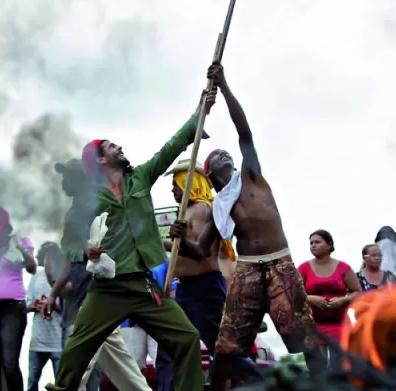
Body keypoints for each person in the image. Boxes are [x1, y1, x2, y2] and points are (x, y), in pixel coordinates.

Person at [44, 91, 214, 391]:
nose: (119, 147)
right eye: (111, 146)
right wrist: (84, 250)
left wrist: (200, 112)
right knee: (76, 349)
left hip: (144, 286)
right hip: (109, 289)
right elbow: (69, 241)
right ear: (100, 159)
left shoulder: (142, 177)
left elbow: (171, 148)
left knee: (187, 338)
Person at [170, 62, 323, 388]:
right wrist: (181, 239)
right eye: (218, 157)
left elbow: (244, 132)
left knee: (305, 336)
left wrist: (223, 85)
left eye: (226, 153)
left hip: (279, 262)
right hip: (249, 270)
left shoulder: (252, 176)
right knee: (226, 346)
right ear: (211, 176)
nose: (225, 155)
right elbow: (200, 252)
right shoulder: (217, 208)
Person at [158, 161, 262, 391]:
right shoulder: (186, 211)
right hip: (186, 289)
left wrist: (174, 240)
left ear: (189, 183)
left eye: (176, 184)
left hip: (204, 290)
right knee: (170, 344)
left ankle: (265, 382)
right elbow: (181, 246)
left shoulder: (204, 209)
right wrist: (161, 242)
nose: (173, 190)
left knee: (222, 350)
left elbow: (200, 251)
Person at [44, 160, 143, 391]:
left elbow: (113, 244)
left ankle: (66, 386)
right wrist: (52, 295)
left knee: (82, 347)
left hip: (99, 292)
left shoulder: (95, 205)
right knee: (121, 364)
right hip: (87, 295)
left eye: (66, 176)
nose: (63, 181)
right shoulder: (75, 212)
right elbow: (70, 261)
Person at [0, 207, 36, 391]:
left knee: (9, 363)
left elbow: (32, 268)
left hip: (11, 309)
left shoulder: (21, 243)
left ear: (6, 228)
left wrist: (20, 249)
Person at [298, 230, 360, 371]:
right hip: (312, 326)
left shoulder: (343, 268)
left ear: (329, 245)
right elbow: (292, 293)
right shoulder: (304, 268)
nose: (313, 245)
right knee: (317, 370)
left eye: (317, 242)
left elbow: (357, 292)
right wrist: (310, 298)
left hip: (338, 325)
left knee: (339, 369)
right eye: (311, 243)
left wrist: (343, 301)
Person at [26, 242, 64, 391]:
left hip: (59, 343)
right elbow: (26, 304)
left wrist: (52, 305)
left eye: (41, 254)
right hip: (38, 342)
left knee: (61, 384)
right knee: (32, 382)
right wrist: (34, 306)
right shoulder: (36, 276)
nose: (37, 257)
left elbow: (72, 307)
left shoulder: (64, 276)